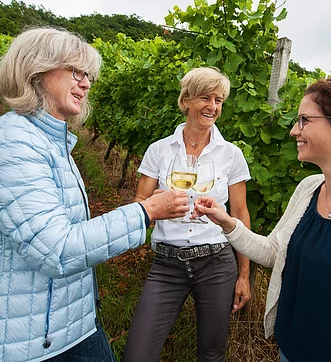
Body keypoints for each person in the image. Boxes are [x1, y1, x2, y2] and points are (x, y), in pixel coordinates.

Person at [0, 27, 189, 362]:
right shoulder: (14, 142)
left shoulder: (52, 142)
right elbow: (56, 250)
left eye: (88, 75)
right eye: (76, 71)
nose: (86, 83)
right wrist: (145, 212)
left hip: (72, 324)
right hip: (36, 343)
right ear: (37, 71)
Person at [193, 72, 331, 362]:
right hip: (288, 351)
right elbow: (275, 252)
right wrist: (228, 222)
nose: (293, 130)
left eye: (304, 120)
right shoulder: (309, 189)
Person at [123, 67, 251, 362]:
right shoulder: (159, 150)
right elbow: (140, 200)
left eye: (219, 100)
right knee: (137, 355)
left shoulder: (231, 154)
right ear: (187, 100)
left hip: (217, 263)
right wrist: (156, 206)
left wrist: (244, 274)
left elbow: (240, 214)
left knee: (212, 354)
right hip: (167, 264)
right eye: (205, 98)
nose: (213, 107)